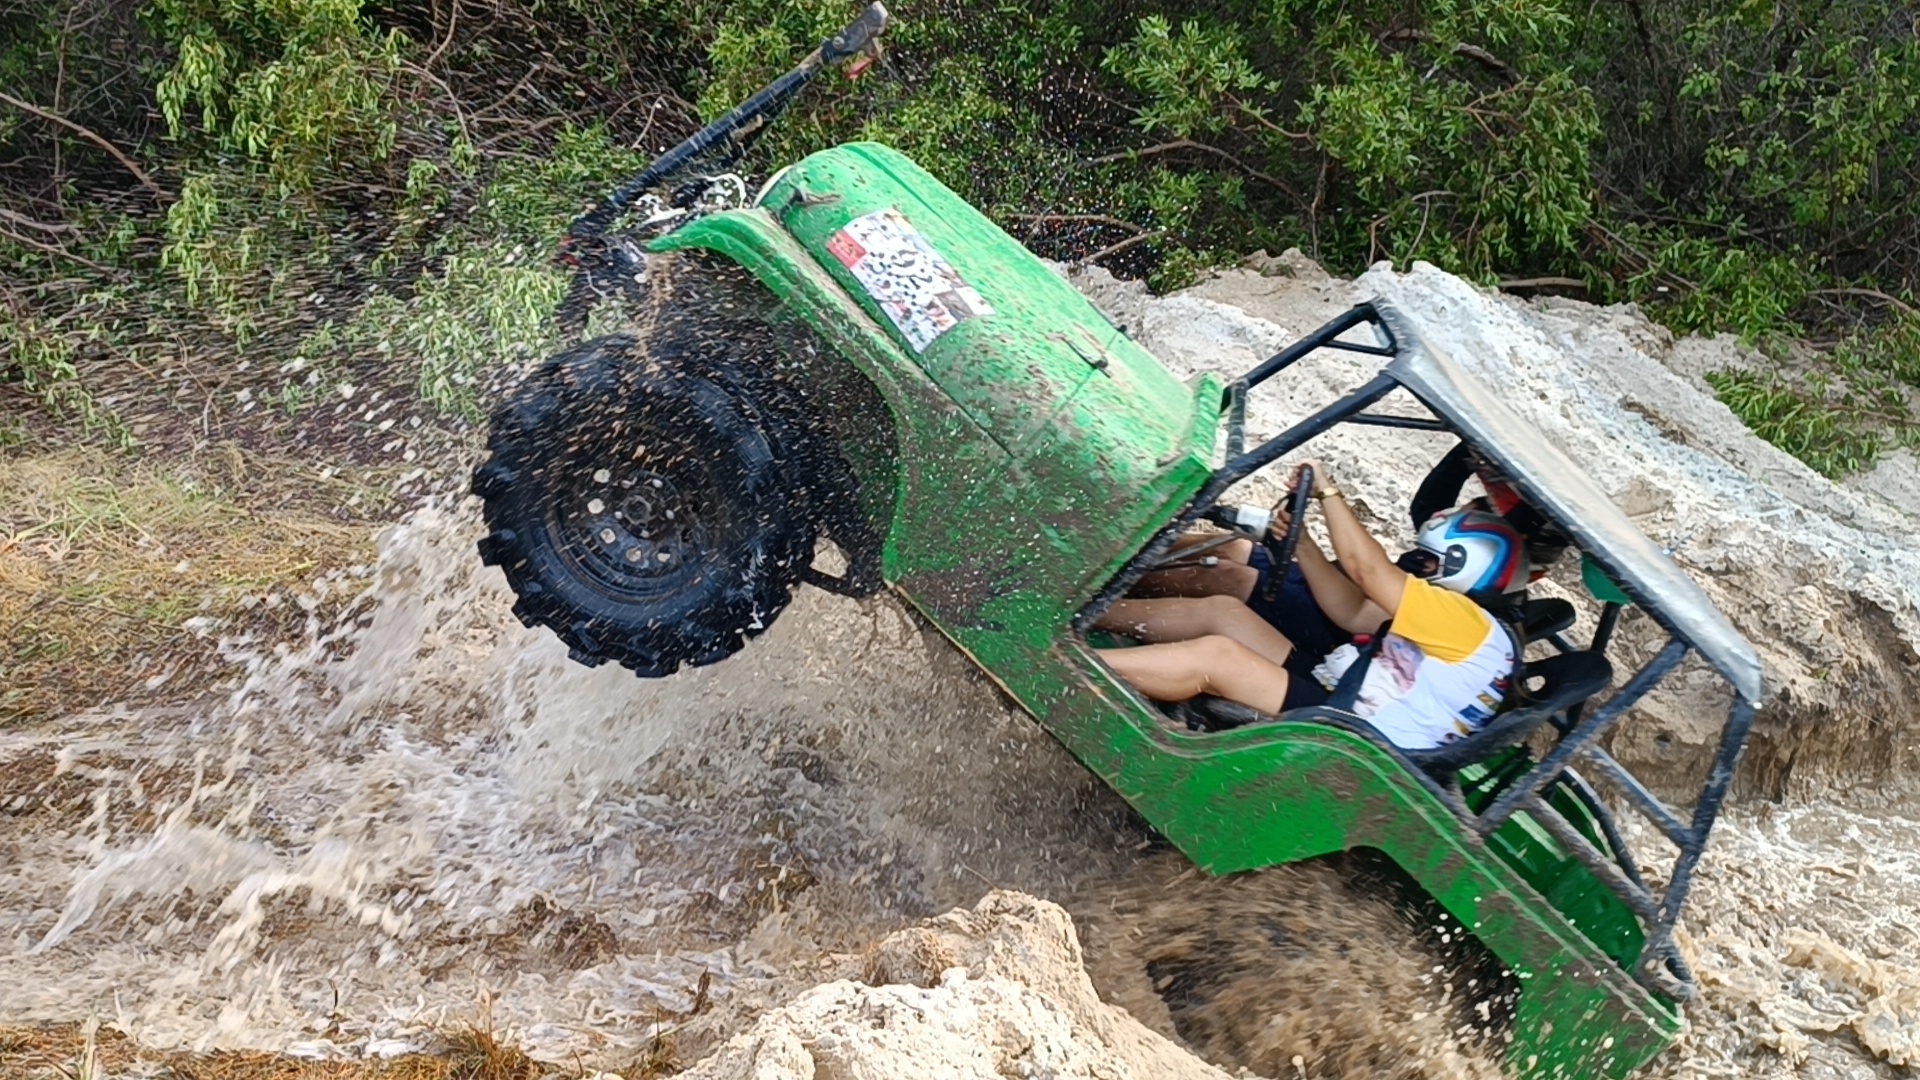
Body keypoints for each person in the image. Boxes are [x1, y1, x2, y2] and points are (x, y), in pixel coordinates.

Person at [1094, 463, 1525, 750]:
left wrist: (1328, 491)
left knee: (1218, 657)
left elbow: (1367, 571)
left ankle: (1058, 668)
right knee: (1224, 614)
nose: (1416, 567)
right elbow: (1352, 613)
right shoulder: (1472, 629)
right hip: (1347, 697)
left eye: (1427, 560)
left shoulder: (1467, 625)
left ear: (1463, 568)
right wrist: (1303, 543)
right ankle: (1083, 611)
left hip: (1352, 737)